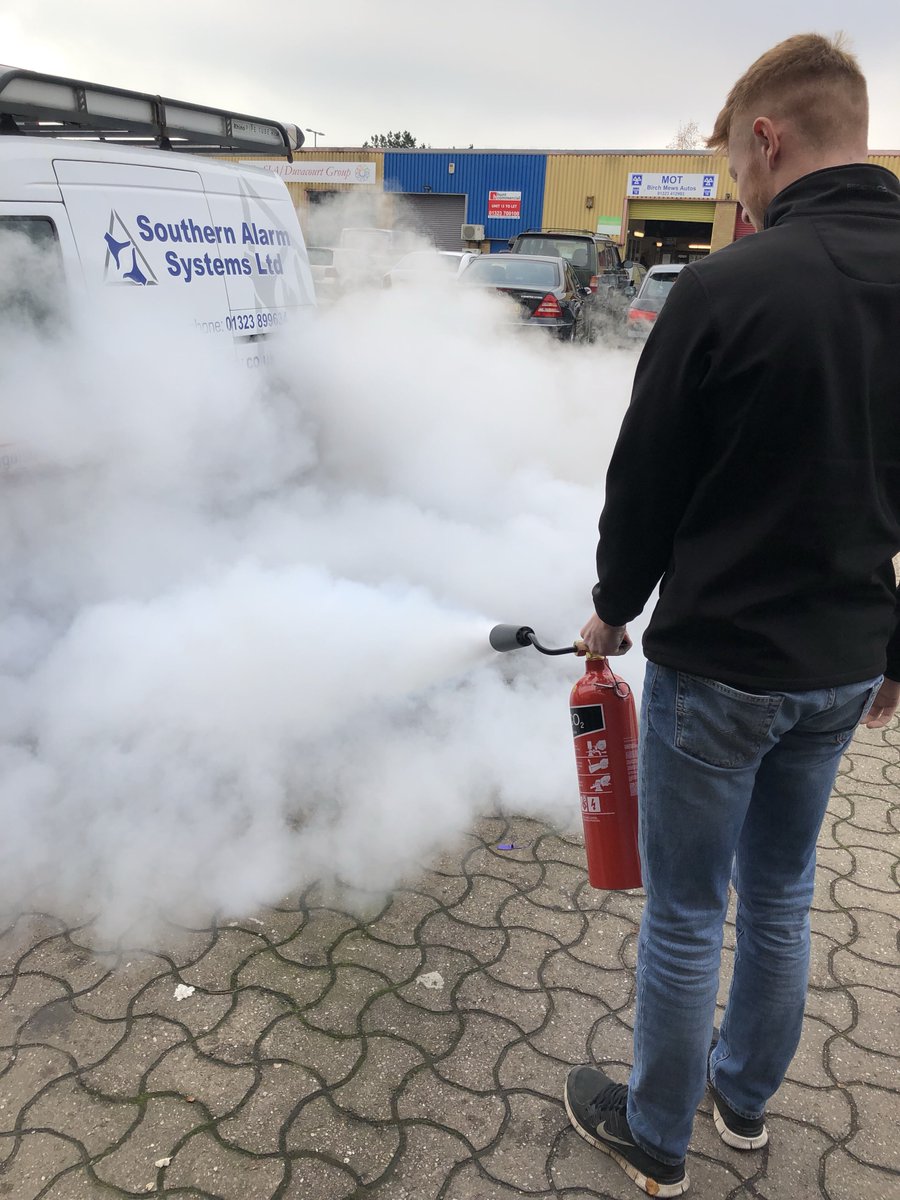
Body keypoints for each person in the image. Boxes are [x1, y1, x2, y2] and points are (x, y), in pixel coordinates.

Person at [564, 33, 900, 1198]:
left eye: (735, 169)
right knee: (786, 896)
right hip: (846, 666)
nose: (737, 192)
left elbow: (643, 485)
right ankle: (742, 1104)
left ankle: (657, 1140)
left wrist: (611, 611)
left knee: (688, 917)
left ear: (771, 139)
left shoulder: (724, 289)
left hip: (720, 675)